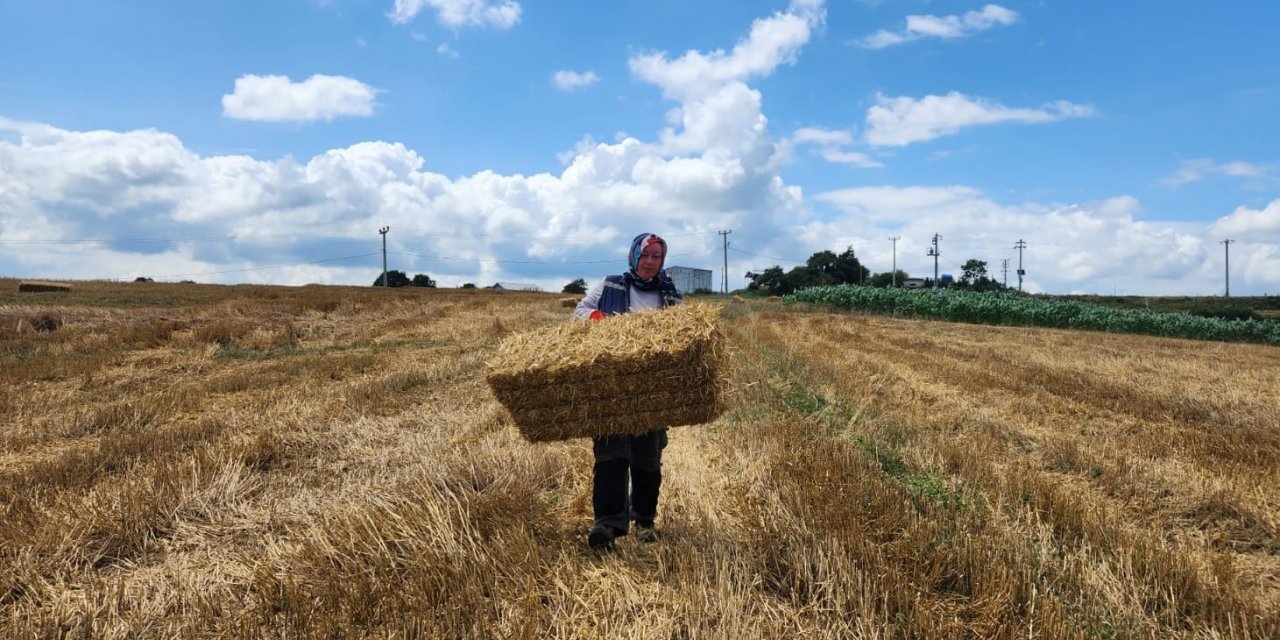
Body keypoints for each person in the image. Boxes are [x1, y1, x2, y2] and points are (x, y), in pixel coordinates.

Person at [572, 232, 682, 550]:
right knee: (610, 455)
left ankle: (644, 519)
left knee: (647, 457)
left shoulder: (669, 294)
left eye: (657, 257)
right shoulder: (609, 286)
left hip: (651, 389)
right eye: (645, 256)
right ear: (633, 256)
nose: (650, 262)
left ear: (662, 261)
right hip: (610, 387)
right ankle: (607, 524)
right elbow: (579, 311)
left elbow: (686, 332)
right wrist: (599, 319)